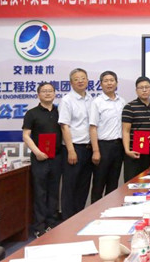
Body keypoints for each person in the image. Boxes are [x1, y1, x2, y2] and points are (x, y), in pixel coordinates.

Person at [22, 82, 63, 237]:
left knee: (54, 191)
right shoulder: (32, 113)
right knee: (40, 192)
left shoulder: (60, 112)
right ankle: (39, 226)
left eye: (50, 91)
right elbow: (26, 135)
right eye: (44, 91)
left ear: (55, 94)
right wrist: (37, 152)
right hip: (39, 158)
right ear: (38, 94)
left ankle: (52, 224)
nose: (47, 93)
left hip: (57, 157)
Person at [58, 68, 93, 220]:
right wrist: (71, 150)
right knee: (70, 187)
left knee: (83, 186)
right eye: (76, 79)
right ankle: (67, 220)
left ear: (87, 81)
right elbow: (64, 126)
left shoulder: (91, 99)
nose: (80, 81)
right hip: (73, 148)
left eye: (83, 78)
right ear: (71, 83)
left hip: (88, 148)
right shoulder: (67, 100)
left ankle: (78, 218)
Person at [89, 71, 126, 203]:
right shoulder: (97, 102)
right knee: (98, 184)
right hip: (103, 146)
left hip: (118, 146)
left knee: (113, 184)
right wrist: (96, 151)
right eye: (106, 81)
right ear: (101, 84)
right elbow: (93, 127)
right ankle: (94, 213)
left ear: (116, 83)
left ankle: (110, 210)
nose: (109, 83)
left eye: (112, 80)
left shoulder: (122, 102)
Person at [122, 76, 150, 181]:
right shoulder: (129, 107)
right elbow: (125, 131)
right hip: (134, 152)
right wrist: (127, 150)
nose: (144, 90)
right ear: (136, 90)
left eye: (147, 87)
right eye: (141, 88)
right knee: (132, 183)